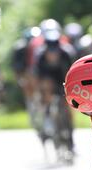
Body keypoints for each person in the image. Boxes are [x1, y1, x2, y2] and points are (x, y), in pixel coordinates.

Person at [34, 26, 77, 155]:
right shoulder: (40, 55)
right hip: (48, 80)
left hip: (64, 77)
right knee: (46, 92)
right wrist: (43, 94)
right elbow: (38, 77)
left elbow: (73, 73)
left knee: (67, 107)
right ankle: (47, 117)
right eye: (50, 51)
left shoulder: (67, 53)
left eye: (55, 50)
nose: (52, 54)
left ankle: (70, 141)